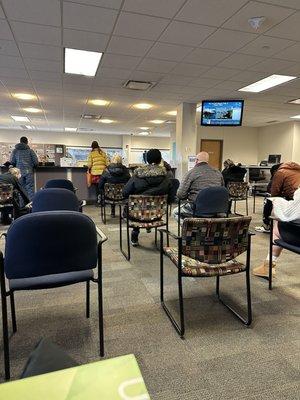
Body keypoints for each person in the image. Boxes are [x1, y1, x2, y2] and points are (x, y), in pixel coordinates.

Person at [123, 149, 172, 246]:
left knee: (135, 207)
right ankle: (149, 224)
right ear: (160, 160)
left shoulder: (137, 176)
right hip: (157, 214)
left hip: (137, 214)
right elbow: (170, 198)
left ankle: (135, 233)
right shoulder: (167, 178)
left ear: (146, 160)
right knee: (144, 207)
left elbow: (125, 192)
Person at [253, 187, 300, 278]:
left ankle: (269, 264)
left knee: (277, 219)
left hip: (296, 238)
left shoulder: (281, 173)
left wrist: (278, 202)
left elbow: (274, 192)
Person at [173, 151, 224, 220]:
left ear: (196, 160)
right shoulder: (218, 173)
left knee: (175, 212)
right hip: (217, 208)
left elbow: (180, 195)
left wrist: (189, 195)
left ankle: (188, 229)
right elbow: (222, 189)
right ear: (207, 161)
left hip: (197, 208)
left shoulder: (191, 173)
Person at [255, 162, 300, 233]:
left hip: (294, 198)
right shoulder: (297, 170)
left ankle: (266, 226)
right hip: (296, 196)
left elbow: (274, 193)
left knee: (269, 200)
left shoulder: (280, 172)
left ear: (274, 171)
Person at [10, 136, 38, 201]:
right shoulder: (30, 151)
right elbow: (36, 162)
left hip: (18, 172)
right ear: (27, 142)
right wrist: (32, 166)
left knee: (20, 188)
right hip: (28, 171)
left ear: (20, 142)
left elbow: (12, 161)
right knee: (30, 188)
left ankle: (22, 205)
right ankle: (31, 205)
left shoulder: (15, 151)